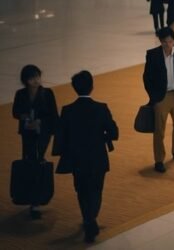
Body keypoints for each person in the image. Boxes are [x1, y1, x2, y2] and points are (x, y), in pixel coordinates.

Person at [52, 71, 119, 243]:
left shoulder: (67, 111)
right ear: (92, 86)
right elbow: (113, 132)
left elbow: (61, 136)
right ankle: (91, 219)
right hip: (97, 156)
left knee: (81, 190)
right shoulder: (101, 108)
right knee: (96, 190)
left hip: (77, 158)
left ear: (74, 88)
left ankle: (88, 219)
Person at [143, 27, 174, 173]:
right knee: (159, 130)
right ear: (160, 42)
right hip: (161, 96)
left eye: (170, 42)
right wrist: (153, 97)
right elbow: (147, 78)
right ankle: (159, 160)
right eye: (165, 42)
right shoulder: (152, 55)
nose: (168, 45)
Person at [12, 64, 58, 219]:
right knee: (29, 160)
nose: (36, 80)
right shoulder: (20, 94)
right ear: (26, 80)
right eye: (32, 78)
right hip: (27, 132)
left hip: (43, 133)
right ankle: (32, 198)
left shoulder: (47, 93)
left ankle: (36, 201)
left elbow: (53, 115)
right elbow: (15, 112)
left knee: (37, 160)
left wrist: (41, 123)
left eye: (37, 76)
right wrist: (25, 117)